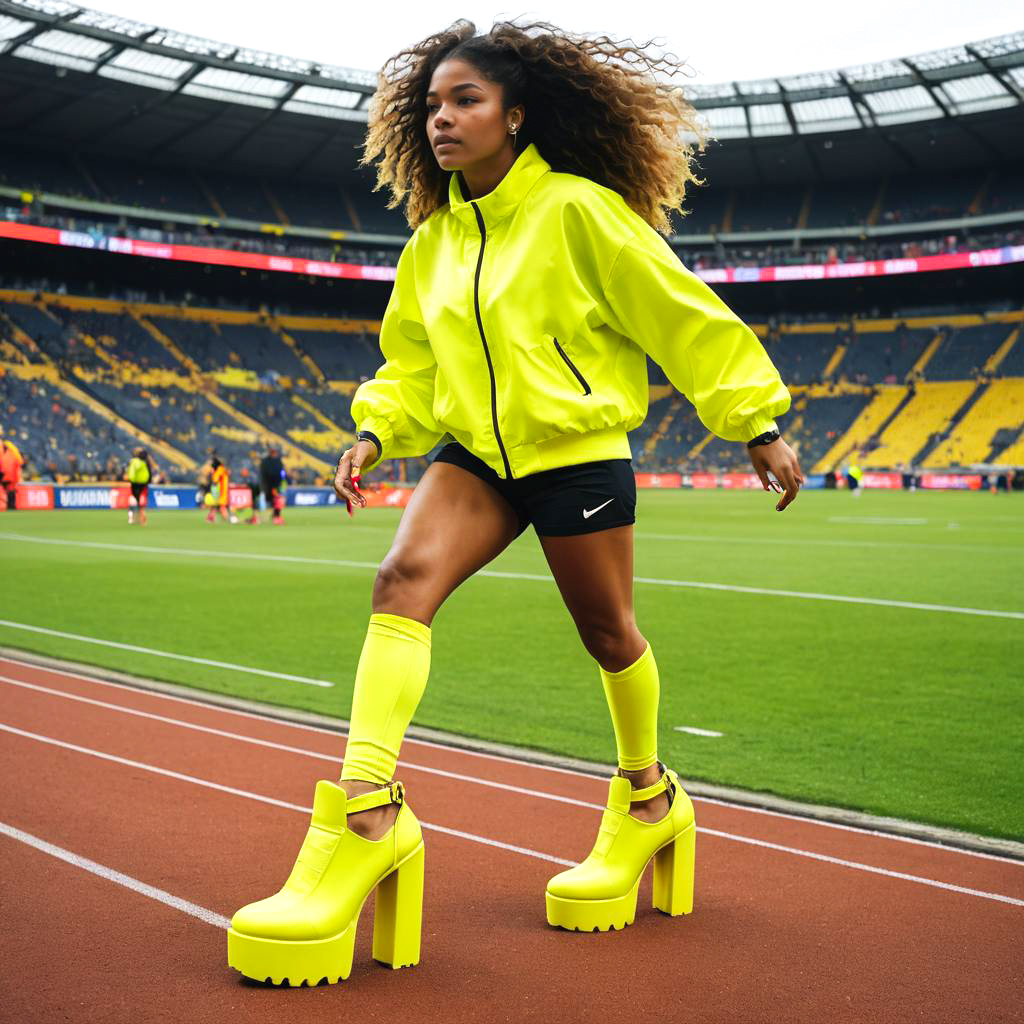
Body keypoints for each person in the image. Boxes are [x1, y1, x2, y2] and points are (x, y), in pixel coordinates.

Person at [227, 20, 803, 986]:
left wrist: (756, 419)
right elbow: (412, 363)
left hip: (576, 452)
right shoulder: (434, 243)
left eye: (466, 101)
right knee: (399, 579)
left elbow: (679, 310)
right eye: (433, 105)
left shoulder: (580, 212)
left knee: (609, 633)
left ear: (515, 114)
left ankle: (648, 800)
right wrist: (376, 428)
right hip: (478, 456)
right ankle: (367, 810)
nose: (442, 118)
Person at [124, 446, 155, 525]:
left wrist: (130, 479)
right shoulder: (146, 462)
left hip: (135, 483)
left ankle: (132, 517)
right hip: (144, 483)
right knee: (141, 500)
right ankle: (140, 517)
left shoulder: (133, 461)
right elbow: (150, 472)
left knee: (134, 499)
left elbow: (130, 472)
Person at [207, 457, 237, 524]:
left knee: (222, 506)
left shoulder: (219, 470)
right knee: (226, 505)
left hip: (222, 490)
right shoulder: (223, 468)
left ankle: (229, 519)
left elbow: (215, 480)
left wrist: (213, 474)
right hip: (226, 489)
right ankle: (231, 518)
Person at [0, 437, 23, 510]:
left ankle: (10, 506)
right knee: (11, 491)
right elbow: (19, 465)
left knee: (10, 491)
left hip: (6, 475)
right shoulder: (14, 455)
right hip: (10, 476)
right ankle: (11, 506)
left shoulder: (6, 455)